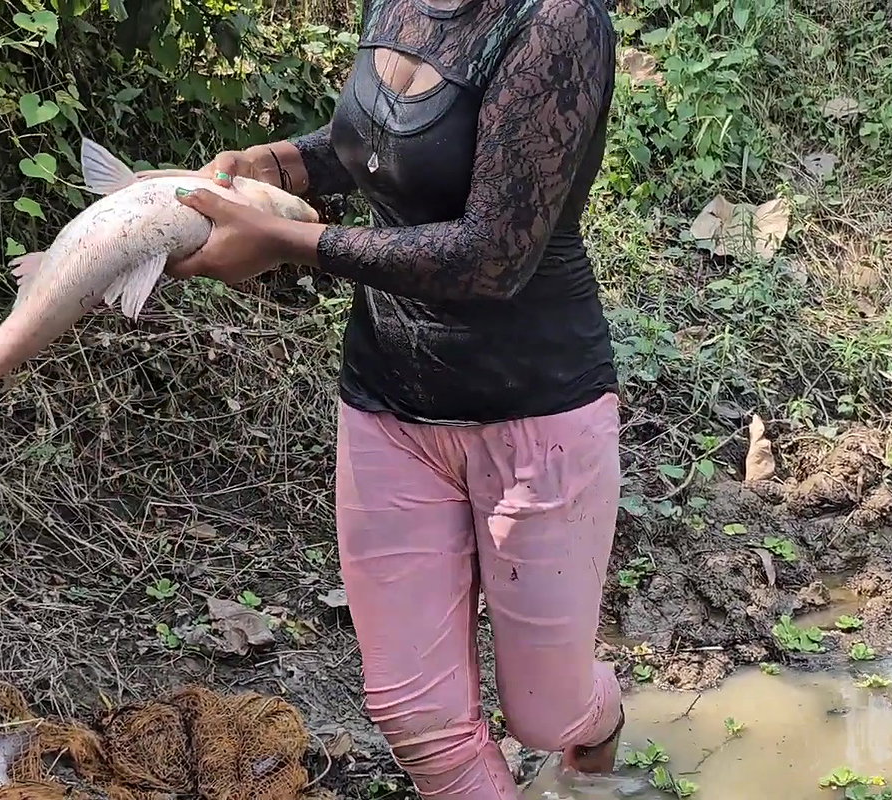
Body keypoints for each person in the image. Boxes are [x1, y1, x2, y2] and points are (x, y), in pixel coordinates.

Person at [140, 0, 623, 797]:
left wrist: (289, 242)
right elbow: (377, 144)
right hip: (387, 405)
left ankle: (597, 728)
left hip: (537, 413)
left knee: (547, 716)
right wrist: (281, 165)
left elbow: (491, 256)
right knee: (418, 721)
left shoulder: (555, 18)